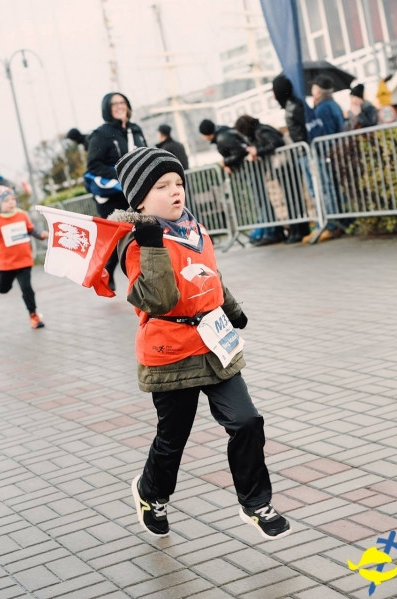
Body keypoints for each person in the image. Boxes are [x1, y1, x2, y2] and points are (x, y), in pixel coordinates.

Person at [110, 147, 291, 541]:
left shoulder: (194, 228)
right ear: (140, 199)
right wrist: (151, 242)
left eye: (179, 183)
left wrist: (233, 309)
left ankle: (256, 503)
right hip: (169, 354)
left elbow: (209, 275)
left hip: (213, 346)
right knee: (173, 439)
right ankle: (150, 492)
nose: (176, 191)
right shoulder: (137, 244)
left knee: (246, 421)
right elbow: (157, 299)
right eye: (162, 186)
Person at [85, 92, 146, 290]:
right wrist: (120, 174)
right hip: (112, 195)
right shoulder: (101, 134)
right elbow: (93, 165)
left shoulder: (135, 130)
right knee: (115, 238)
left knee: (140, 234)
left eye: (122, 102)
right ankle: (107, 270)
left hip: (134, 191)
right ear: (107, 109)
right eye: (114, 104)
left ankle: (141, 281)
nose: (120, 106)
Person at [0, 185, 49, 329]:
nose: (11, 203)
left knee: (27, 289)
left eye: (13, 199)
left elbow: (30, 229)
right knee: (3, 289)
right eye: (6, 201)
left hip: (24, 260)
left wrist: (41, 235)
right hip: (6, 263)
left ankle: (33, 315)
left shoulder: (22, 215)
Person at [233, 114, 289, 245]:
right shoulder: (259, 131)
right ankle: (285, 231)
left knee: (290, 199)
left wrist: (257, 151)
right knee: (287, 199)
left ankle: (287, 231)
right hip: (278, 168)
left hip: (282, 166)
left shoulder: (261, 131)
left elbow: (275, 144)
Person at [272, 74, 313, 243]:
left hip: (305, 153)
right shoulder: (290, 106)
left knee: (315, 189)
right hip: (300, 154)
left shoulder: (294, 107)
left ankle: (326, 225)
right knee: (310, 189)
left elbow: (304, 128)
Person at [308, 76, 348, 243]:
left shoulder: (323, 107)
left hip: (327, 152)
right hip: (335, 150)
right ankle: (339, 222)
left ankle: (333, 224)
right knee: (334, 188)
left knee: (328, 188)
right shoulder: (333, 104)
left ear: (318, 90)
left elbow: (326, 131)